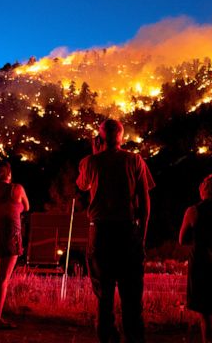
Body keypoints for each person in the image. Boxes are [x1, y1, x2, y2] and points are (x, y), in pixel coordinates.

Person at [76, 119, 155, 343]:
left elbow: (82, 185)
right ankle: (134, 338)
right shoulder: (135, 160)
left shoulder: (90, 162)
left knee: (104, 296)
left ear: (100, 138)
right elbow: (145, 203)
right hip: (128, 232)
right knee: (132, 297)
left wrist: (95, 154)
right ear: (122, 137)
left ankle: (109, 338)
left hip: (101, 233)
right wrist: (143, 236)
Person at [179, 173, 212, 343]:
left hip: (201, 259)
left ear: (204, 189)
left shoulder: (193, 210)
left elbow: (182, 239)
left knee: (206, 311)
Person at [0, 161, 29, 329]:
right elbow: (27, 206)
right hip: (11, 233)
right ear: (9, 173)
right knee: (4, 279)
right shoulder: (17, 188)